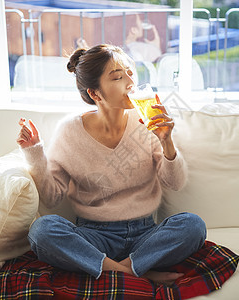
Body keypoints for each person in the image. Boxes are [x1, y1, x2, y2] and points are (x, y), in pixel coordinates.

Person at [16, 44, 206, 285]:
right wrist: (34, 152)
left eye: (130, 72)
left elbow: (175, 183)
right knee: (41, 231)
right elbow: (52, 197)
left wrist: (166, 141)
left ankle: (110, 269)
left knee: (193, 225)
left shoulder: (147, 121)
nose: (130, 82)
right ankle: (136, 272)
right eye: (117, 77)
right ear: (95, 94)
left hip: (145, 233)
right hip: (93, 235)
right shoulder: (69, 131)